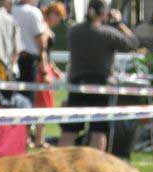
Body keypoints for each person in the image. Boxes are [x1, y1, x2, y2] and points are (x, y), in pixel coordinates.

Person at [57, 0, 138, 152]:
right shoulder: (107, 33)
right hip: (101, 86)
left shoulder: (73, 31)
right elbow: (133, 43)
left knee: (69, 130)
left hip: (77, 84)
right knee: (98, 130)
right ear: (103, 13)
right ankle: (96, 166)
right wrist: (119, 24)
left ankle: (59, 163)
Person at [32, 2, 67, 149]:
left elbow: (47, 54)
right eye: (58, 16)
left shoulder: (45, 26)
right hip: (42, 71)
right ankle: (38, 139)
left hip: (46, 68)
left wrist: (54, 69)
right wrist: (45, 71)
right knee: (42, 104)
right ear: (52, 13)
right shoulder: (43, 26)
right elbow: (43, 51)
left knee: (43, 105)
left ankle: (39, 138)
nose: (59, 20)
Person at [12, 0, 47, 104]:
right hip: (29, 61)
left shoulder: (11, 10)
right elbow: (41, 42)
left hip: (13, 59)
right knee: (28, 98)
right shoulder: (34, 12)